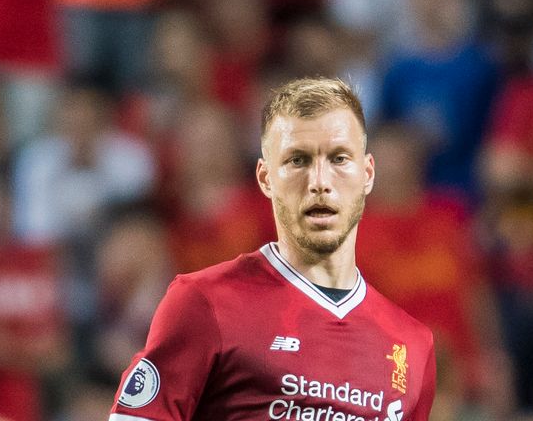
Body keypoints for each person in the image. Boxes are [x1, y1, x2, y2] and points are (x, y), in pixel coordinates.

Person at [108, 77, 436, 420]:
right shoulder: (204, 302)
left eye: (339, 159)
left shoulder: (412, 345)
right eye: (298, 161)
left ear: (367, 174)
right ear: (265, 178)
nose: (320, 182)